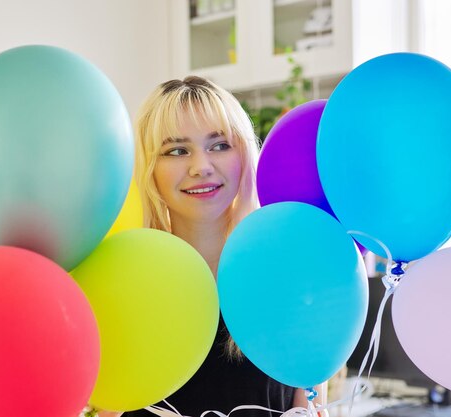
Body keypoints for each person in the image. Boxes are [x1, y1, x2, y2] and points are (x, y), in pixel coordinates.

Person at [99, 76, 326, 417]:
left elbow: (310, 392)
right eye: (176, 150)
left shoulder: (285, 268)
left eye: (219, 145)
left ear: (244, 153)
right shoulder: (124, 279)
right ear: (149, 169)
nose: (201, 167)